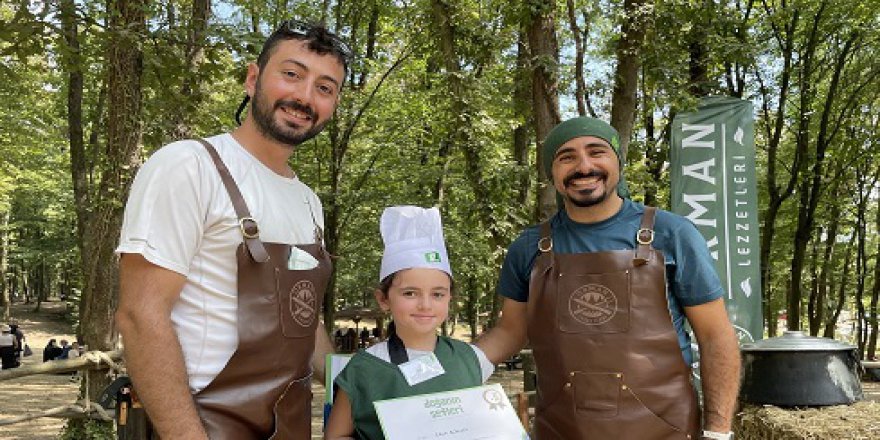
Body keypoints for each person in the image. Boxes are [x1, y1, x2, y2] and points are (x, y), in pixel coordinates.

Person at [114, 19, 352, 439]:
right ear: (253, 77)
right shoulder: (190, 165)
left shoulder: (309, 202)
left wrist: (361, 381)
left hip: (291, 427)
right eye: (292, 74)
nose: (304, 96)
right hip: (203, 425)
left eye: (325, 87)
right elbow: (140, 316)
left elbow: (302, 320)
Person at [477, 117, 741, 440]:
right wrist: (453, 364)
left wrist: (717, 433)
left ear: (617, 161)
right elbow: (510, 332)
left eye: (596, 151)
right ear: (552, 173)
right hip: (561, 432)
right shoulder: (529, 247)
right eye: (567, 157)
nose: (584, 166)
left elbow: (716, 337)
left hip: (666, 431)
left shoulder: (673, 235)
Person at [325, 206, 495, 440]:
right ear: (384, 299)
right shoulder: (364, 368)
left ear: (450, 298)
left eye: (437, 294)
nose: (425, 305)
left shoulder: (471, 358)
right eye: (410, 293)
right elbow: (335, 436)